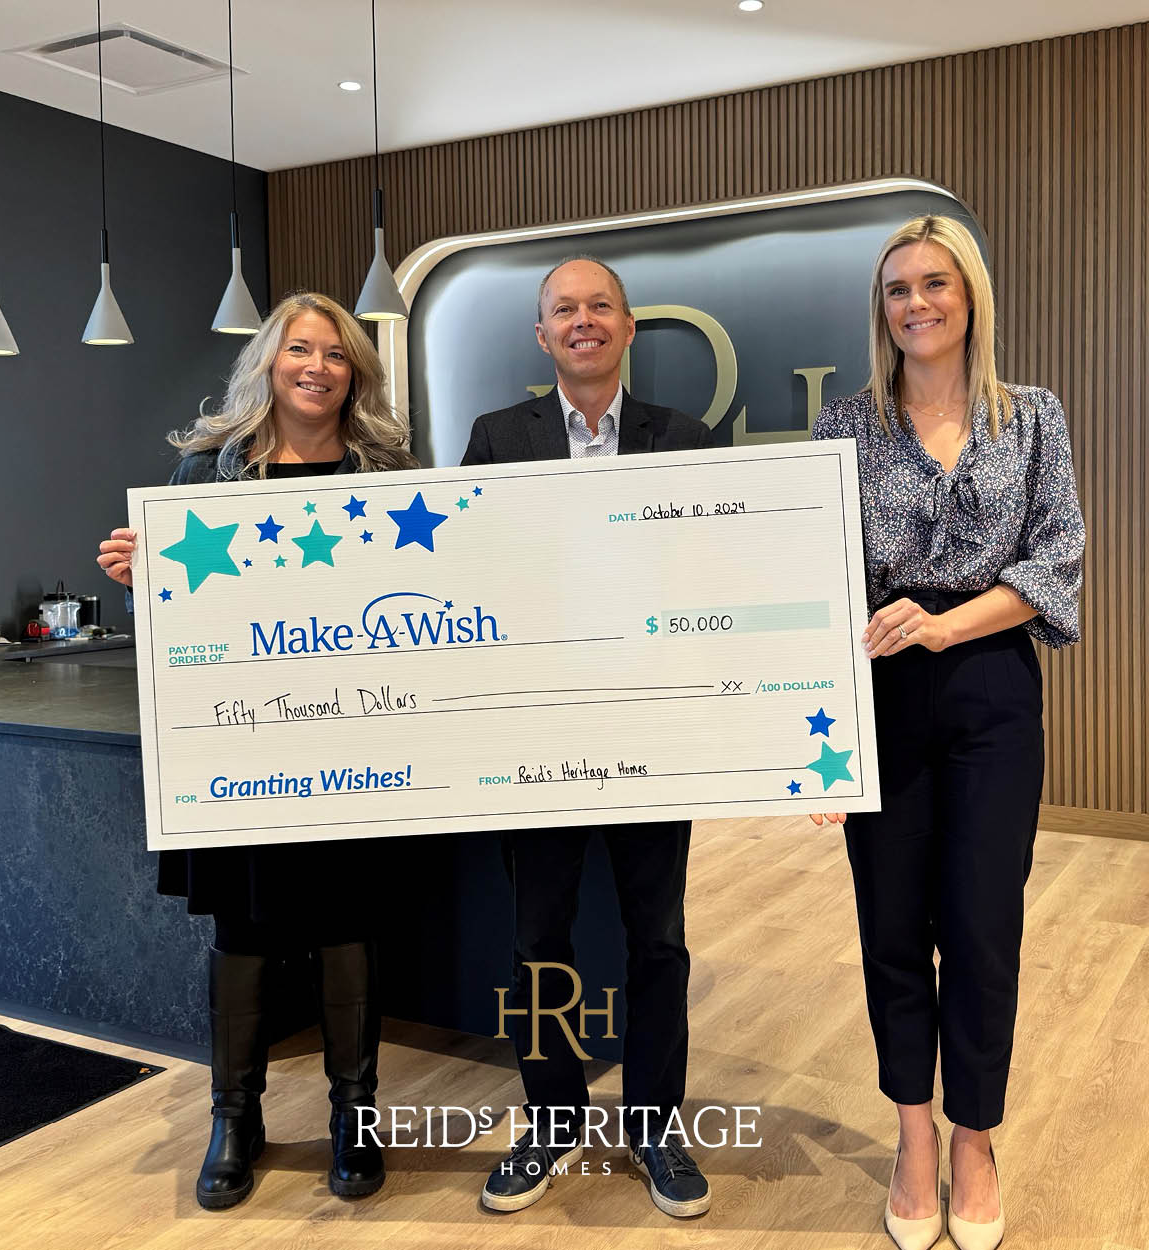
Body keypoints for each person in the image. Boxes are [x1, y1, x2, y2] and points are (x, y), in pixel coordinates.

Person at [96, 291, 417, 1210]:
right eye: (300, 350)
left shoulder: (388, 475)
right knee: (241, 927)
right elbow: (171, 617)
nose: (317, 367)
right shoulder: (205, 474)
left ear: (356, 373)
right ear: (269, 364)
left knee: (347, 922)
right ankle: (235, 1115)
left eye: (337, 354)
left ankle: (355, 1115)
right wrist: (136, 577)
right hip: (241, 743)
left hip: (357, 737)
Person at [810, 216, 1084, 1250]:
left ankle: (974, 1137)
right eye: (894, 289)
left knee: (978, 923)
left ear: (968, 295)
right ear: (879, 310)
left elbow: (1055, 554)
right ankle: (911, 1136)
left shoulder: (1033, 418)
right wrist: (815, 739)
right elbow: (810, 579)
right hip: (878, 695)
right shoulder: (841, 423)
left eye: (932, 283)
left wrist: (945, 621)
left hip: (989, 692)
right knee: (889, 924)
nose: (914, 303)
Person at [462, 255, 714, 1218]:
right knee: (537, 939)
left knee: (657, 940)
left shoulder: (684, 442)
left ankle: (657, 1127)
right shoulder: (496, 439)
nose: (582, 321)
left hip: (649, 733)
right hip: (536, 737)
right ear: (542, 335)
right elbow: (464, 573)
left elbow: (711, 577)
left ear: (628, 325)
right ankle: (553, 1120)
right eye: (563, 309)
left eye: (598, 305)